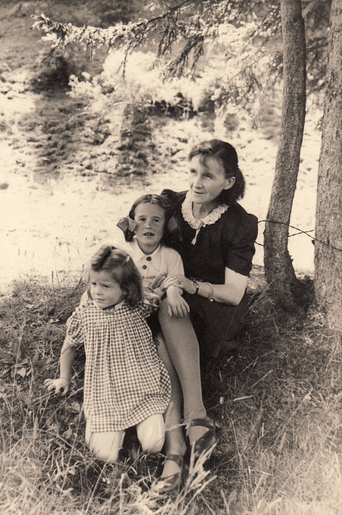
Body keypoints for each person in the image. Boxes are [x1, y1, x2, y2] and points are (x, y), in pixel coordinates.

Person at [154, 139, 258, 478]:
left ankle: (185, 431)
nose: (197, 182)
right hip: (174, 298)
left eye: (208, 176)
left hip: (216, 307)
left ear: (228, 182)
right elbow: (137, 240)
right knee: (160, 329)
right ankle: (185, 437)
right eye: (193, 172)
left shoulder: (238, 223)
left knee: (170, 313)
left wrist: (192, 286)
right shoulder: (172, 206)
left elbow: (234, 292)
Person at [117, 193, 213, 493]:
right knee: (158, 341)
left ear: (166, 225)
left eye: (156, 220)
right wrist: (142, 293)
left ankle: (185, 431)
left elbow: (175, 281)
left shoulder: (170, 256)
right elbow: (109, 287)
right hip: (132, 325)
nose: (149, 225)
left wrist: (171, 291)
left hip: (164, 322)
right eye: (142, 219)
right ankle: (181, 439)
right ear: (132, 224)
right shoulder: (122, 253)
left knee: (170, 322)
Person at [45, 244, 171, 463]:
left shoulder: (136, 306)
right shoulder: (86, 314)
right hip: (105, 393)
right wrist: (64, 377)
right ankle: (119, 431)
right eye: (94, 284)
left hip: (141, 384)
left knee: (154, 444)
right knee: (104, 455)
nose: (97, 291)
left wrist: (170, 285)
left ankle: (141, 423)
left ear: (125, 289)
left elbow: (156, 294)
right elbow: (70, 344)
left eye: (105, 286)